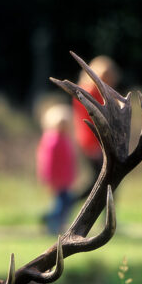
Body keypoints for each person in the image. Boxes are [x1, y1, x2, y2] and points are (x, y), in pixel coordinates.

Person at [72, 55, 120, 201]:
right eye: (105, 76)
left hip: (100, 142)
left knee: (107, 180)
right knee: (102, 182)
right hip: (92, 143)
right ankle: (69, 201)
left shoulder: (102, 92)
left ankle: (107, 214)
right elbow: (89, 120)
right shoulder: (86, 92)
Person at [37, 104, 76, 235]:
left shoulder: (66, 139)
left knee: (66, 203)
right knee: (60, 204)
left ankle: (57, 223)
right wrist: (48, 179)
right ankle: (51, 221)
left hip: (65, 179)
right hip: (57, 180)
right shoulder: (51, 141)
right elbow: (47, 162)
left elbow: (70, 161)